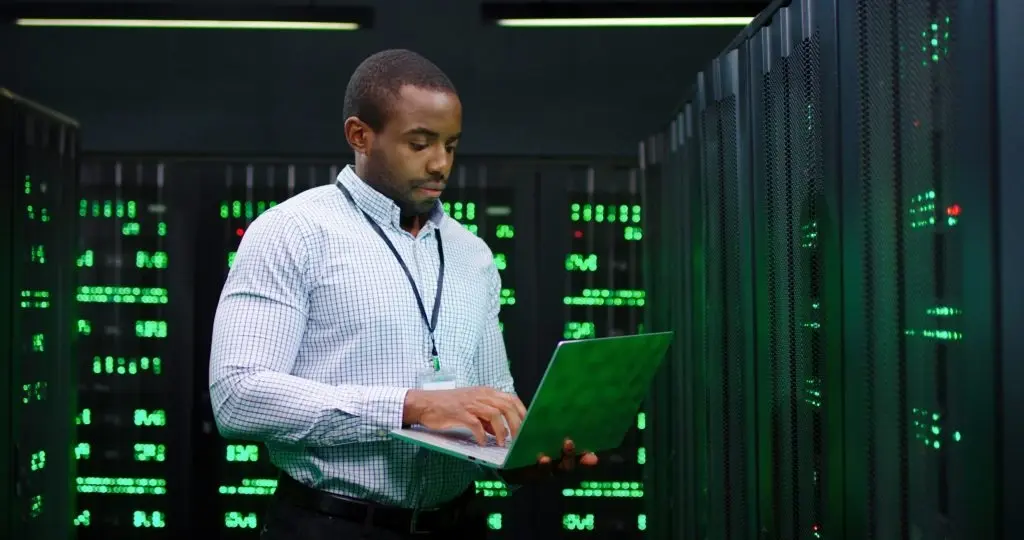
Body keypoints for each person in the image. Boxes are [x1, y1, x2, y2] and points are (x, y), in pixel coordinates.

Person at [208, 49, 598, 539]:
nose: (440, 164)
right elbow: (238, 396)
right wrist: (407, 406)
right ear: (360, 136)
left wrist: (519, 459)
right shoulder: (292, 232)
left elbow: (490, 403)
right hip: (332, 526)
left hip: (459, 522)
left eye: (451, 146)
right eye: (420, 144)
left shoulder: (471, 253)